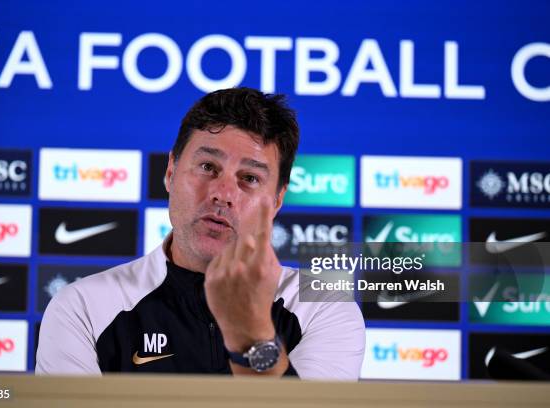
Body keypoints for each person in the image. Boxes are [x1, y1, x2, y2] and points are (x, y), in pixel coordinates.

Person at [36, 87, 365, 379]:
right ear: (170, 172)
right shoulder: (82, 308)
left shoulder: (323, 305)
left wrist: (252, 338)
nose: (222, 193)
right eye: (208, 167)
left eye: (249, 178)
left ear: (277, 199)